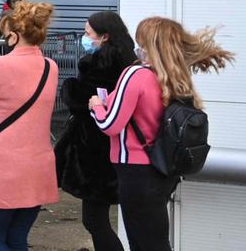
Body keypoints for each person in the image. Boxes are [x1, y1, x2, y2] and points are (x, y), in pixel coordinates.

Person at [89, 17, 234, 251]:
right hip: (163, 168)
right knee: (153, 238)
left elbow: (110, 124)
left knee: (144, 241)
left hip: (135, 171)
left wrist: (96, 105)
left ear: (149, 44)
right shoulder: (174, 76)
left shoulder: (135, 75)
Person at [0, 0, 59, 251]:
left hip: (2, 167)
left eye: (6, 35)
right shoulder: (51, 67)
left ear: (14, 36)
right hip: (38, 166)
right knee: (17, 239)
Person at [54, 12, 137, 251]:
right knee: (97, 218)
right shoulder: (127, 60)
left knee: (94, 220)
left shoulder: (100, 64)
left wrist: (69, 87)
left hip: (96, 152)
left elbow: (81, 99)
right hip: (114, 150)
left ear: (105, 36)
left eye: (88, 33)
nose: (84, 37)